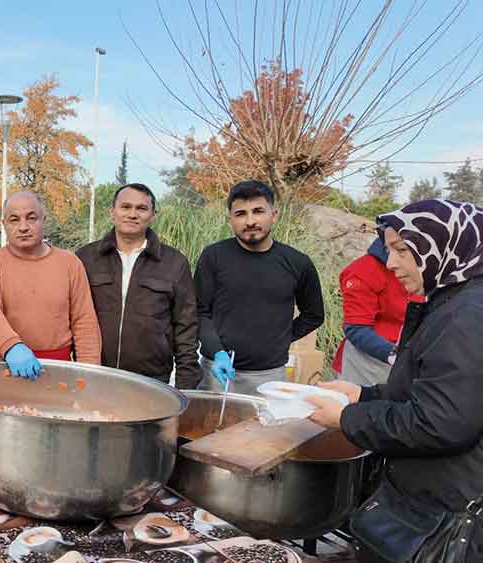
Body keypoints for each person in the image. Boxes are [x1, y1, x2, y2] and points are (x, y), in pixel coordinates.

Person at [307, 199, 483, 562]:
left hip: (447, 515)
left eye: (402, 250)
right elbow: (435, 388)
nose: (391, 263)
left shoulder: (465, 316)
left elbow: (439, 424)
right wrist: (363, 395)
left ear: (444, 244)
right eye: (389, 250)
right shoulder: (453, 302)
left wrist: (345, 418)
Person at [195, 180, 324, 394]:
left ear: (274, 215)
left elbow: (314, 315)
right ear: (230, 220)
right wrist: (217, 351)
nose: (250, 221)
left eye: (258, 211)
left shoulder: (298, 263)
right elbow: (200, 311)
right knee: (210, 417)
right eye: (240, 214)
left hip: (269, 376)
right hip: (216, 372)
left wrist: (280, 340)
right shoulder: (213, 257)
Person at [76, 183, 199, 388]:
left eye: (141, 208)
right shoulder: (85, 258)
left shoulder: (174, 263)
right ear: (112, 211)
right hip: (94, 376)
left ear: (153, 215)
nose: (133, 214)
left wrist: (186, 386)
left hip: (151, 381)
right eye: (125, 207)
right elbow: (71, 317)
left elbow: (186, 327)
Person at [0, 191, 102, 377]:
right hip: (3, 366)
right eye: (14, 220)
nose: (23, 227)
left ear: (44, 220)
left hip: (57, 369)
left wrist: (90, 373)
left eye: (31, 218)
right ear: (4, 224)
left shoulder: (69, 263)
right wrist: (11, 346)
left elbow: (84, 322)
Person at [331, 238, 424, 385]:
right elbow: (356, 328)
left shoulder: (427, 268)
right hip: (365, 365)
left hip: (412, 362)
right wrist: (396, 355)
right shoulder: (362, 271)